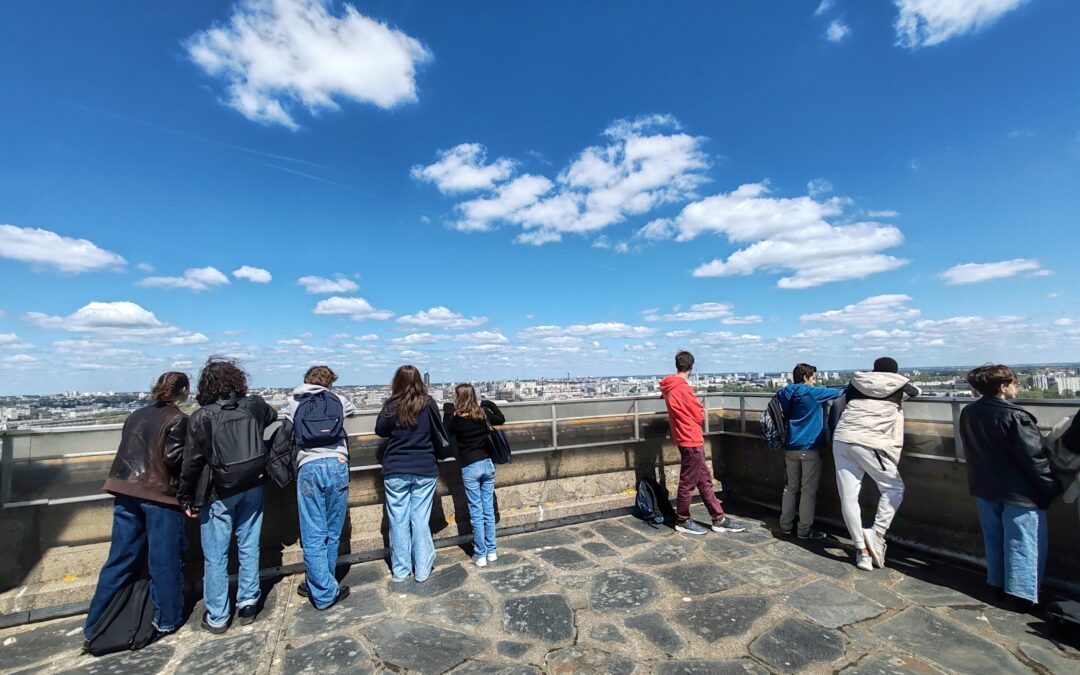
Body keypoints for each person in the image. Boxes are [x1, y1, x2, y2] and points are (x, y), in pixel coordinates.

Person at [83, 372, 190, 647]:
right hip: (159, 496)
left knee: (119, 559)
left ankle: (95, 622)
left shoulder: (135, 415)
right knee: (164, 560)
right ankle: (167, 619)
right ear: (184, 390)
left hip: (125, 490)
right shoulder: (178, 419)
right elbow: (176, 461)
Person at [178, 358, 277, 633]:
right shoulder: (253, 405)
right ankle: (248, 602)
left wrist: (185, 498)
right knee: (249, 543)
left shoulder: (201, 417)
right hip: (253, 482)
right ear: (238, 381)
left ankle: (218, 615)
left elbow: (191, 463)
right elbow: (272, 416)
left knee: (216, 554)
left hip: (218, 490)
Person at [959, 365, 1059, 609]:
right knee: (1023, 543)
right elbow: (1034, 459)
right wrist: (1050, 488)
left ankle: (996, 584)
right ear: (1003, 387)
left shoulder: (969, 412)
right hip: (1020, 492)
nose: (1018, 386)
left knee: (994, 538)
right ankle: (1021, 596)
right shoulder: (1017, 417)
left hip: (985, 486)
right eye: (1015, 382)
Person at [832, 356, 920, 571]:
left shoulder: (855, 383)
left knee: (849, 497)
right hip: (872, 442)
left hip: (843, 438)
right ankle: (877, 533)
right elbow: (916, 392)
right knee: (894, 488)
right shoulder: (901, 385)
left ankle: (862, 552)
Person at [282, 365, 357, 610]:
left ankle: (320, 586)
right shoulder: (337, 399)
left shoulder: (294, 400)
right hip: (337, 464)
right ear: (330, 381)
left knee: (313, 532)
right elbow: (352, 412)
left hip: (309, 467)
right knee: (333, 529)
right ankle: (325, 582)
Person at [660, 351, 745, 535]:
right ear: (691, 367)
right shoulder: (683, 388)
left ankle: (718, 518)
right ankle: (683, 519)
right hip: (691, 438)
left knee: (704, 481)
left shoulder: (669, 386)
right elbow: (698, 413)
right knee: (688, 482)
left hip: (683, 437)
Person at [375, 365, 440, 582]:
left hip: (396, 467)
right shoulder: (428, 403)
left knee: (398, 521)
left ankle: (401, 571)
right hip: (424, 466)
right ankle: (422, 569)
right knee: (420, 520)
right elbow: (437, 429)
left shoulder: (391, 405)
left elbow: (380, 430)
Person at [776, 363, 843, 540]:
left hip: (790, 445)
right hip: (809, 446)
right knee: (808, 491)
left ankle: (785, 525)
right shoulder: (813, 393)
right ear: (806, 377)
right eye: (813, 378)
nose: (815, 381)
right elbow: (841, 392)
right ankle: (804, 530)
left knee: (790, 488)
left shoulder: (784, 392)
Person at [443, 384, 505, 567]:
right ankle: (492, 551)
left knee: (476, 512)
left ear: (458, 398)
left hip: (470, 466)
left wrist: (447, 410)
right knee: (488, 510)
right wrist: (490, 404)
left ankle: (480, 554)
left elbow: (445, 432)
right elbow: (501, 419)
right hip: (487, 464)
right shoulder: (482, 414)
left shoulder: (455, 419)